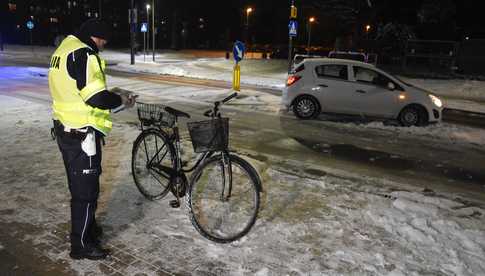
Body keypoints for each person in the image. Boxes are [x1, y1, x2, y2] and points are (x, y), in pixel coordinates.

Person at [49, 19, 135, 260]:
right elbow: (95, 97)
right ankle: (82, 245)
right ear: (94, 36)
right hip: (80, 134)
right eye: (102, 40)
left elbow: (76, 87)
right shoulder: (84, 54)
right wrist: (120, 101)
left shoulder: (65, 48)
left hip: (66, 129)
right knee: (85, 193)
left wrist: (111, 94)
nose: (103, 44)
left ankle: (89, 229)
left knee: (82, 187)